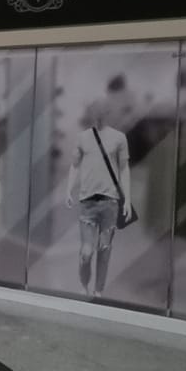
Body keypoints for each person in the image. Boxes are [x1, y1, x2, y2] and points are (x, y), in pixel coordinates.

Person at [65, 103, 132, 299]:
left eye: (103, 111)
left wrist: (127, 199)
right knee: (86, 252)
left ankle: (98, 291)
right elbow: (75, 166)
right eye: (96, 111)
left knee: (104, 249)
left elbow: (124, 168)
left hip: (110, 201)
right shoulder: (83, 137)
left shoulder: (119, 138)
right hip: (87, 201)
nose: (99, 115)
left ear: (108, 113)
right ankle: (84, 283)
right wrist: (68, 189)